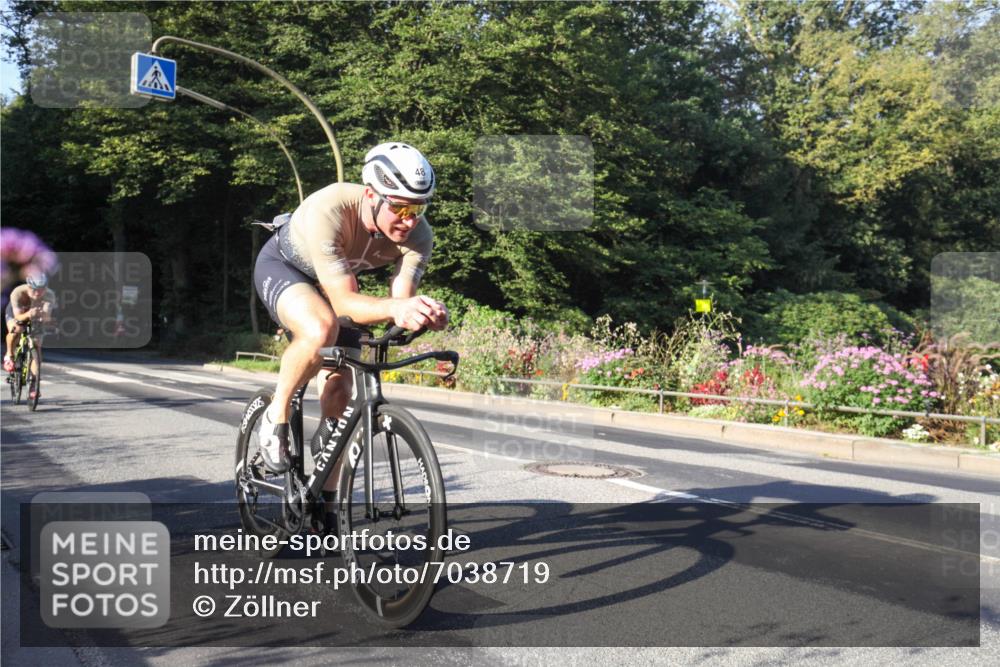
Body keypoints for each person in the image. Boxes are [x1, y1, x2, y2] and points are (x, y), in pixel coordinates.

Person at [252, 141, 449, 475]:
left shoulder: (419, 237)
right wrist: (395, 308)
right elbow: (344, 301)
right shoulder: (330, 208)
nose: (410, 220)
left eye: (419, 209)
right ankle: (276, 413)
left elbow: (400, 298)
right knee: (320, 328)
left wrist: (422, 314)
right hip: (285, 269)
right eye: (400, 208)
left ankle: (326, 516)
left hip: (335, 283)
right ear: (371, 195)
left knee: (341, 395)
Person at [4, 273, 56, 400]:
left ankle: (33, 385)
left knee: (37, 345)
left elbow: (47, 317)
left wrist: (43, 314)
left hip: (35, 315)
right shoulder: (17, 293)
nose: (38, 293)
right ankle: (9, 355)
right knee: (16, 329)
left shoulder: (49, 294)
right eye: (34, 289)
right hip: (17, 313)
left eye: (41, 289)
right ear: (28, 286)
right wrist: (28, 314)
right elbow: (18, 317)